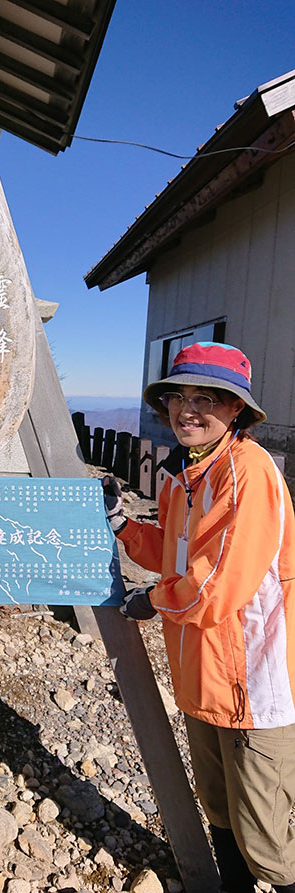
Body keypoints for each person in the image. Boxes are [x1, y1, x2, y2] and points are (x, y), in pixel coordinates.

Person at [103, 341, 295, 893]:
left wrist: (151, 600)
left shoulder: (246, 474)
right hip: (203, 678)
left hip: (253, 689)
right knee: (220, 813)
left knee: (269, 845)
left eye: (207, 398)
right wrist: (122, 525)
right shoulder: (186, 475)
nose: (187, 409)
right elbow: (175, 553)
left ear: (236, 410)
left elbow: (214, 589)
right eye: (178, 396)